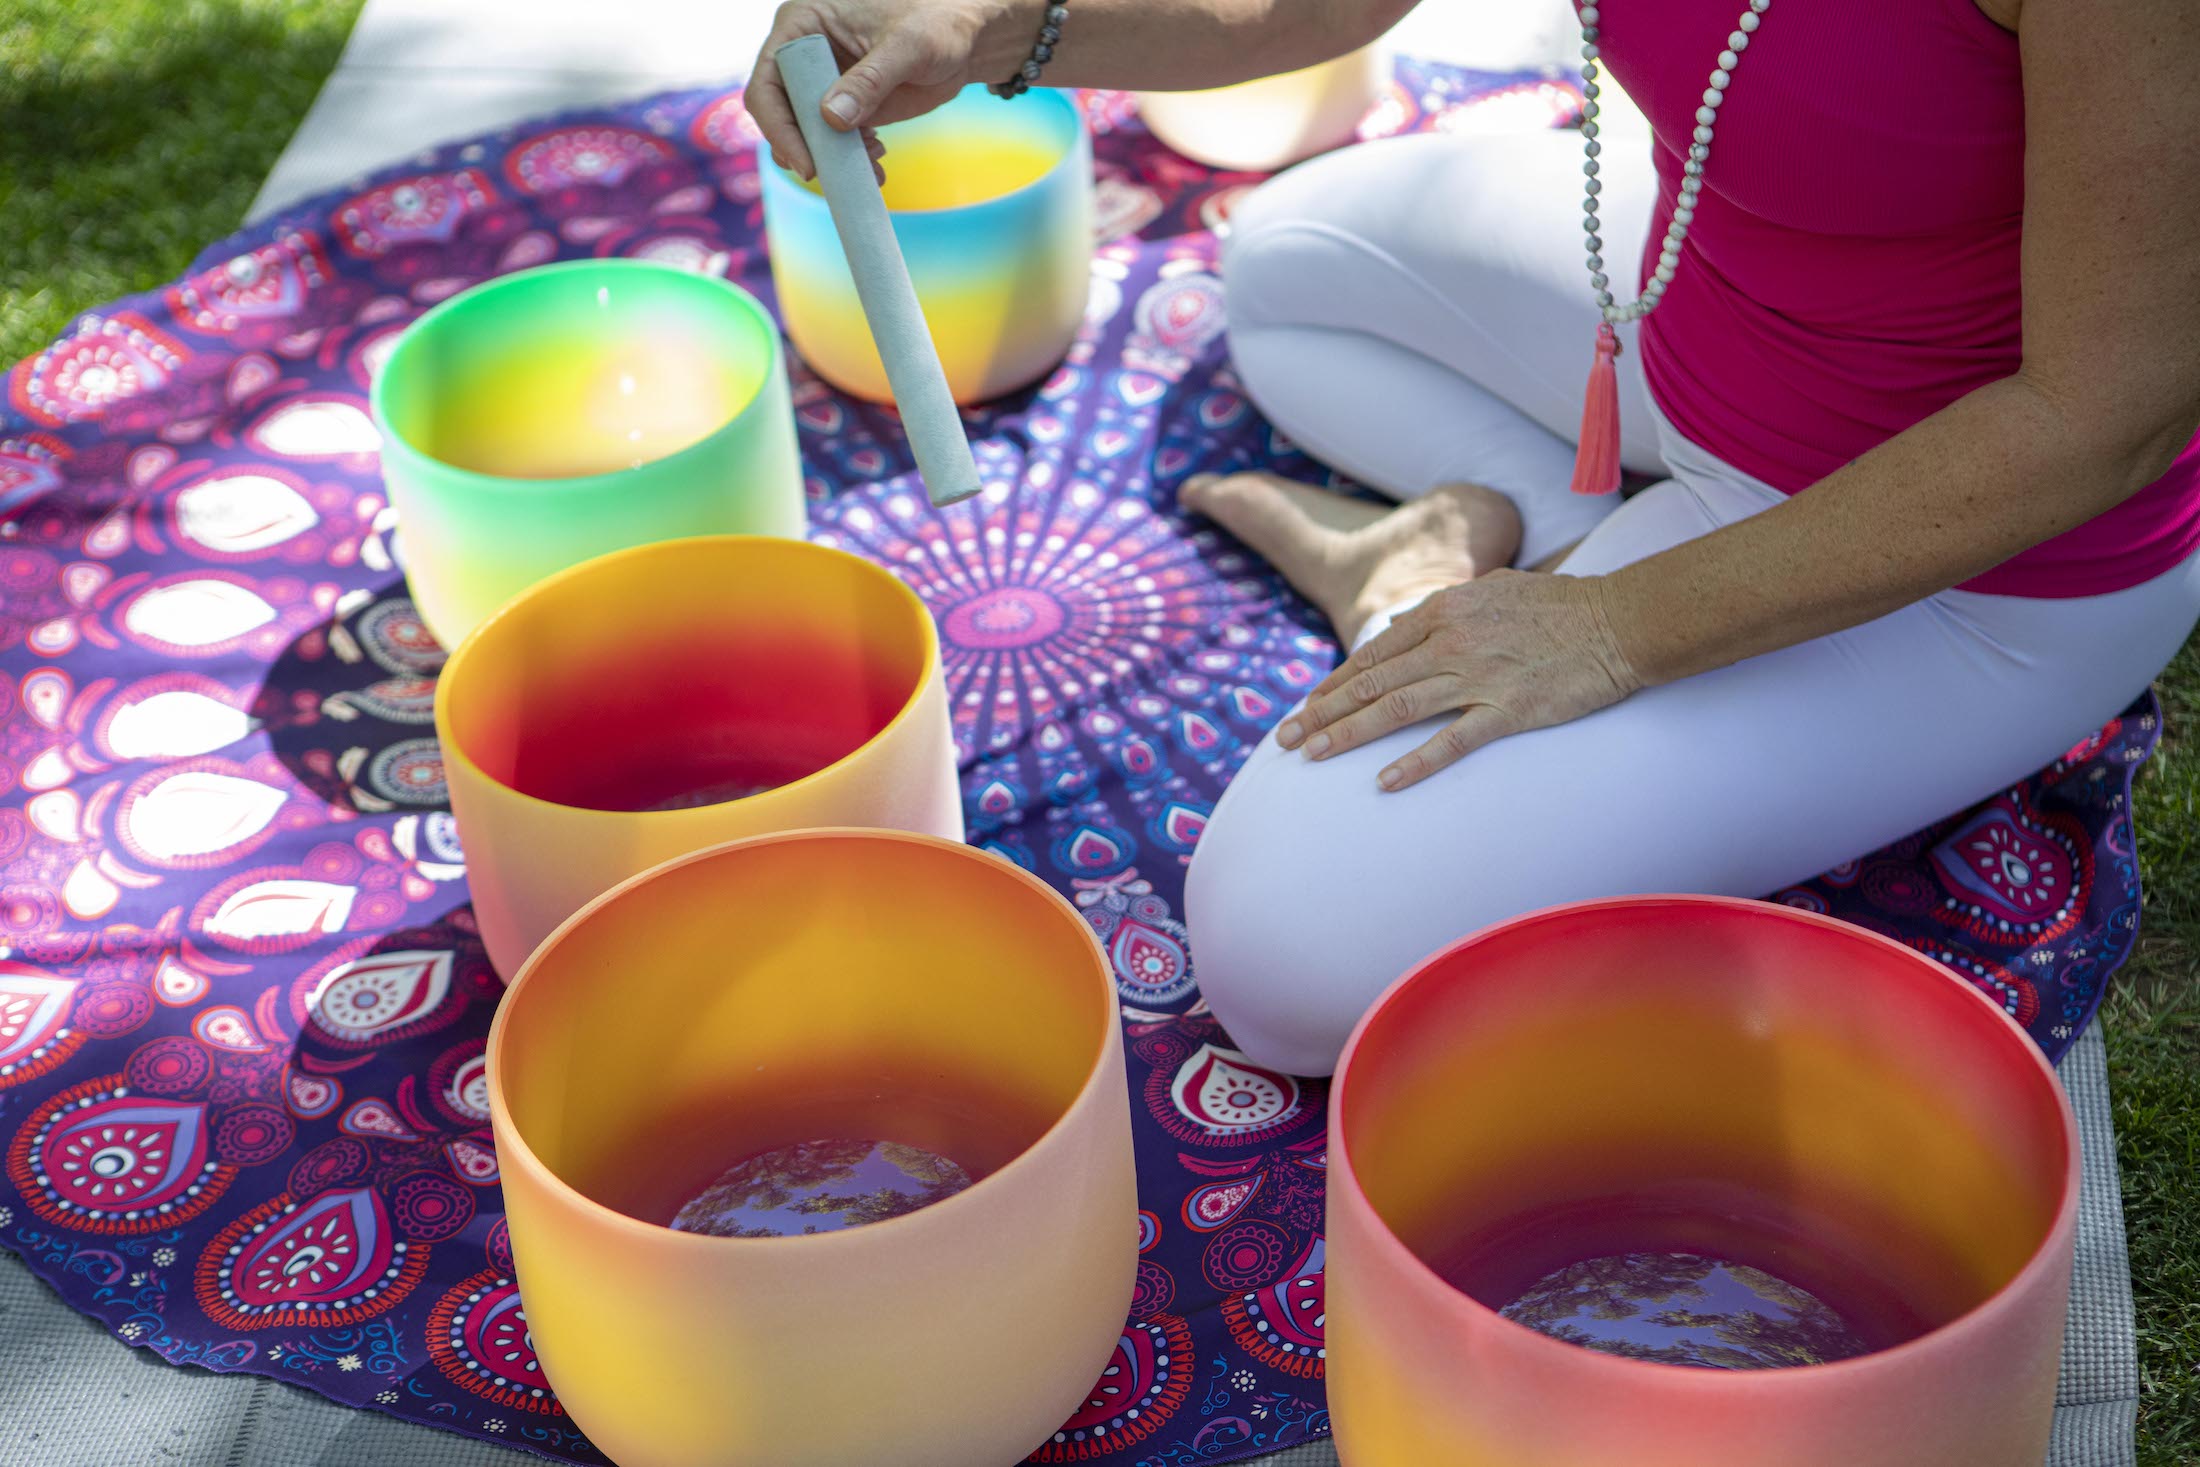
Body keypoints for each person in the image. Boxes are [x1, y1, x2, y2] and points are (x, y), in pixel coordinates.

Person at [748, 0, 2200, 1076]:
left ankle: (1537, 571)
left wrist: (1613, 630)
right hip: (1692, 301)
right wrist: (997, 27)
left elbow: (2103, 414)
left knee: (1279, 955)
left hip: (1966, 570)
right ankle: (1497, 542)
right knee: (1286, 272)